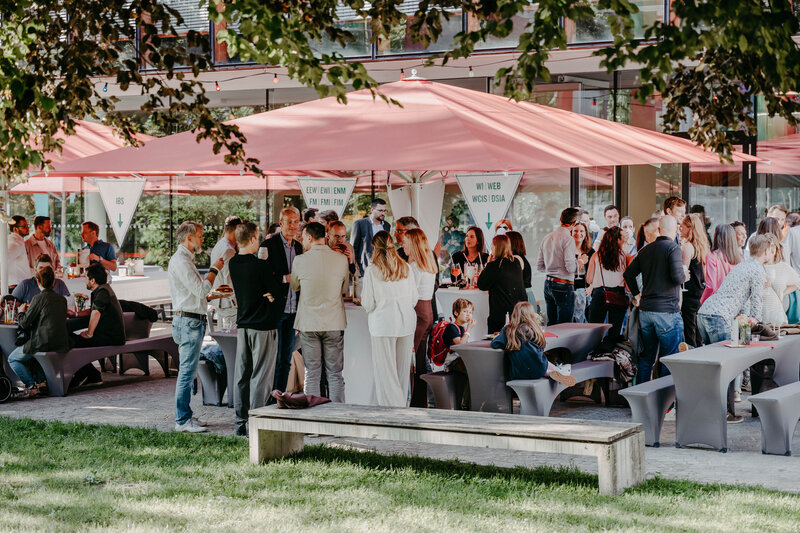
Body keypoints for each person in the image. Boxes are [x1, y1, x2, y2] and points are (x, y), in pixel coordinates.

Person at [697, 234, 772, 423]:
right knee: (726, 369)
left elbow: (743, 302)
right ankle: (726, 413)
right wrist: (760, 325)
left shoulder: (742, 265)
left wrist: (746, 320)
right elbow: (756, 303)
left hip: (704, 312)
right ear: (766, 251)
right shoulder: (757, 270)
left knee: (712, 368)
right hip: (719, 317)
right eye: (772, 249)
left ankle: (710, 411)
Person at [168, 221, 225, 433]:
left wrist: (215, 294)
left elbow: (196, 294)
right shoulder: (181, 261)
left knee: (188, 371)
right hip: (189, 322)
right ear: (188, 237)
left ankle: (186, 415)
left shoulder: (185, 260)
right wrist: (214, 270)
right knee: (186, 372)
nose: (202, 239)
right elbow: (200, 291)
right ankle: (182, 419)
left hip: (191, 319)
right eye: (199, 236)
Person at [229, 221, 283, 437]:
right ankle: (256, 420)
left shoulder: (233, 263)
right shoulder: (260, 265)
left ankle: (240, 421)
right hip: (263, 325)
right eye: (258, 237)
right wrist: (270, 296)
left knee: (242, 374)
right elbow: (277, 292)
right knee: (261, 375)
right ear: (252, 239)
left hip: (243, 326)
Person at [291, 221, 350, 403]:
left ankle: (313, 420)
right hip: (333, 322)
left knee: (312, 372)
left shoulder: (300, 260)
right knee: (335, 373)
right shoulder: (341, 259)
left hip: (309, 322)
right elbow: (345, 290)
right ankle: (338, 418)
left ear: (309, 237)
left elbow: (294, 286)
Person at [623, 215, 685, 382]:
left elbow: (628, 274)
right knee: (670, 359)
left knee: (646, 358)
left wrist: (637, 294)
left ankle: (644, 400)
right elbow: (678, 277)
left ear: (659, 229)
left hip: (646, 311)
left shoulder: (646, 250)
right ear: (676, 230)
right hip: (667, 312)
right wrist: (685, 274)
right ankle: (665, 404)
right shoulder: (673, 248)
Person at [361, 231, 418, 407]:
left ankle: (393, 412)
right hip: (406, 322)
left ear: (374, 248)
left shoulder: (372, 271)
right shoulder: (406, 268)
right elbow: (414, 299)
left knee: (386, 373)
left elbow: (368, 303)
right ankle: (401, 407)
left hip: (383, 324)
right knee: (401, 372)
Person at [8, 266, 72, 399]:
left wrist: (20, 312)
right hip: (61, 342)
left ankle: (32, 386)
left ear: (38, 282)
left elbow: (24, 323)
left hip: (43, 342)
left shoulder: (38, 298)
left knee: (13, 359)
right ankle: (41, 382)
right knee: (32, 354)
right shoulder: (62, 300)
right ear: (53, 282)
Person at [258, 206, 303, 395]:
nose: (293, 226)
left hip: (294, 311)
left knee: (286, 358)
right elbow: (261, 277)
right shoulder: (268, 245)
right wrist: (285, 278)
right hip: (276, 310)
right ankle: (269, 397)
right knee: (273, 358)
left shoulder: (299, 247)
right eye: (289, 222)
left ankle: (281, 395)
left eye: (296, 222)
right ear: (281, 222)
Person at [490, 302, 576, 386]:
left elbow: (495, 344)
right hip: (539, 369)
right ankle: (556, 370)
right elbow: (542, 347)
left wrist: (507, 343)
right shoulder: (533, 329)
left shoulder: (508, 330)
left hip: (518, 373)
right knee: (541, 361)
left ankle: (552, 371)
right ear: (530, 315)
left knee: (532, 363)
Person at [404, 227, 438, 408]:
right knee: (419, 359)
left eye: (405, 243)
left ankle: (415, 401)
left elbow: (410, 295)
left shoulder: (414, 267)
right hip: (427, 311)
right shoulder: (429, 263)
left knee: (412, 360)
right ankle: (420, 401)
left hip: (417, 312)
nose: (403, 246)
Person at [538, 207, 581, 325]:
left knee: (551, 323)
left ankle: (551, 344)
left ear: (560, 220)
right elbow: (571, 268)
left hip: (548, 283)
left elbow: (540, 266)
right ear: (574, 223)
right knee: (564, 326)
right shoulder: (568, 239)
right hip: (563, 285)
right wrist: (581, 262)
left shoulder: (546, 237)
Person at [586, 226, 630, 340]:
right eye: (623, 237)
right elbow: (627, 280)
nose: (625, 239)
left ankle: (594, 353)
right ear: (618, 240)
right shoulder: (624, 256)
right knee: (614, 332)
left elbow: (589, 279)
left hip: (600, 293)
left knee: (595, 330)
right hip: (618, 294)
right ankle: (609, 353)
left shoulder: (596, 255)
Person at [478, 234, 527, 333]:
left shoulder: (494, 265)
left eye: (492, 245)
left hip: (500, 313)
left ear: (497, 247)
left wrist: (487, 264)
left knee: (497, 341)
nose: (491, 247)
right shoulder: (516, 262)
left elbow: (481, 285)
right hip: (518, 311)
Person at [71, 263, 125, 348]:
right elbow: (93, 310)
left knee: (70, 341)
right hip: (110, 336)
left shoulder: (102, 292)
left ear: (92, 281)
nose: (84, 280)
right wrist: (75, 314)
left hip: (110, 339)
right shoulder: (104, 289)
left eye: (85, 277)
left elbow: (96, 312)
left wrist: (89, 334)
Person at [679, 214, 710, 347]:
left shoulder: (687, 247)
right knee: (698, 333)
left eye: (683, 226)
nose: (680, 228)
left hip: (689, 293)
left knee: (689, 332)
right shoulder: (702, 247)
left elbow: (683, 270)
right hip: (700, 294)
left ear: (689, 228)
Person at [209, 216, 241, 328]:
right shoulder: (228, 250)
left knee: (226, 339)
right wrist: (237, 303)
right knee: (233, 341)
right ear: (237, 228)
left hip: (221, 302)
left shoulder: (219, 245)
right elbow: (229, 280)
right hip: (229, 304)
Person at [762, 233, 800, 326]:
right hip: (759, 318)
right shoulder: (757, 267)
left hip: (778, 317)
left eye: (772, 245)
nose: (770, 249)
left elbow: (798, 283)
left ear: (776, 248)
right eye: (766, 245)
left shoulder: (783, 267)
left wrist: (785, 292)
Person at [701, 224, 742, 304]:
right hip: (733, 304)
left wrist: (702, 301)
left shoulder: (712, 256)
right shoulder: (739, 257)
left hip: (717, 303)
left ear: (716, 236)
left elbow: (711, 286)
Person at [351, 198, 390, 275]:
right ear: (372, 210)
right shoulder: (360, 224)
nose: (383, 213)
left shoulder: (387, 226)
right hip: (364, 267)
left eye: (384, 211)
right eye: (380, 210)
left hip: (382, 267)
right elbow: (354, 247)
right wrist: (356, 267)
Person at [572, 222, 594, 323]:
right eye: (575, 230)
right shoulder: (567, 251)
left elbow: (596, 273)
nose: (578, 233)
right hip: (571, 291)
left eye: (581, 231)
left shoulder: (591, 252)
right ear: (571, 233)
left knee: (586, 322)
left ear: (585, 234)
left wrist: (591, 287)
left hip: (586, 293)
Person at [8, 216, 31, 288]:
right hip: (16, 287)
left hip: (19, 286)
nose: (28, 228)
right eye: (24, 226)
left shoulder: (17, 240)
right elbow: (3, 259)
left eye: (27, 225)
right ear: (15, 229)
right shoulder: (15, 242)